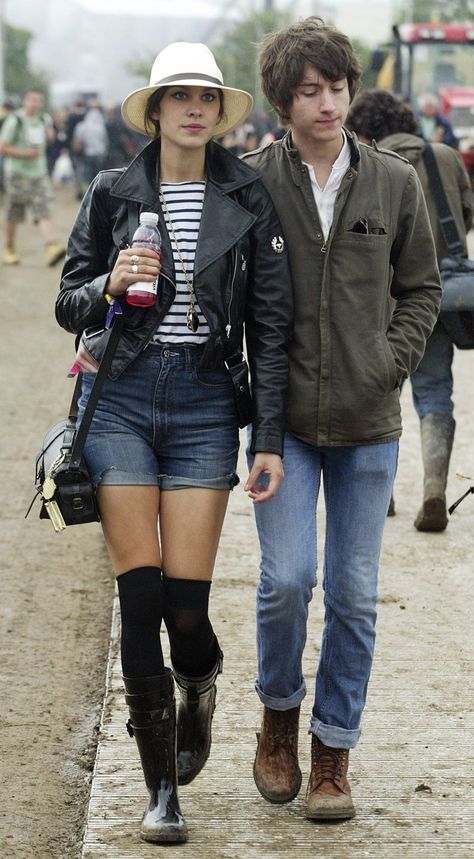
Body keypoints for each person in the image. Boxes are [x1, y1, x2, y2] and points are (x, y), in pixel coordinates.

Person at [55, 42, 292, 844]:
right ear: (154, 110)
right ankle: (161, 789)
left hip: (202, 401)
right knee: (140, 594)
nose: (193, 108)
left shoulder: (247, 192)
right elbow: (68, 301)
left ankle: (200, 684)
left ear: (219, 114)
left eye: (206, 98)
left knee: (187, 610)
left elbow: (270, 324)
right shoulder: (111, 190)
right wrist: (109, 285)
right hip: (119, 393)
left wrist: (268, 434)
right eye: (177, 96)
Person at [241, 17, 441, 821]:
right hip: (281, 425)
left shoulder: (395, 182)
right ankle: (277, 721)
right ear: (283, 102)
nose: (328, 103)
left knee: (355, 594)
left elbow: (421, 288)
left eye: (337, 87)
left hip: (368, 426)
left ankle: (333, 753)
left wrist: (385, 364)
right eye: (309, 91)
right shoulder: (254, 181)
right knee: (288, 579)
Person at [347, 89, 473, 531]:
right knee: (436, 392)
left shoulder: (367, 162)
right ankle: (434, 487)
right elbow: (465, 216)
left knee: (382, 395)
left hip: (384, 302)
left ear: (364, 128)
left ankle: (379, 495)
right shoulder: (444, 157)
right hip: (440, 295)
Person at [0, 88, 66, 266]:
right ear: (25, 101)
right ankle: (10, 248)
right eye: (32, 100)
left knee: (43, 207)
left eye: (38, 101)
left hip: (39, 173)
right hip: (17, 173)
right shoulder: (16, 121)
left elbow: (48, 141)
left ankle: (51, 246)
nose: (35, 104)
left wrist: (50, 136)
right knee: (14, 212)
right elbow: (3, 147)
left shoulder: (44, 119)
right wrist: (23, 153)